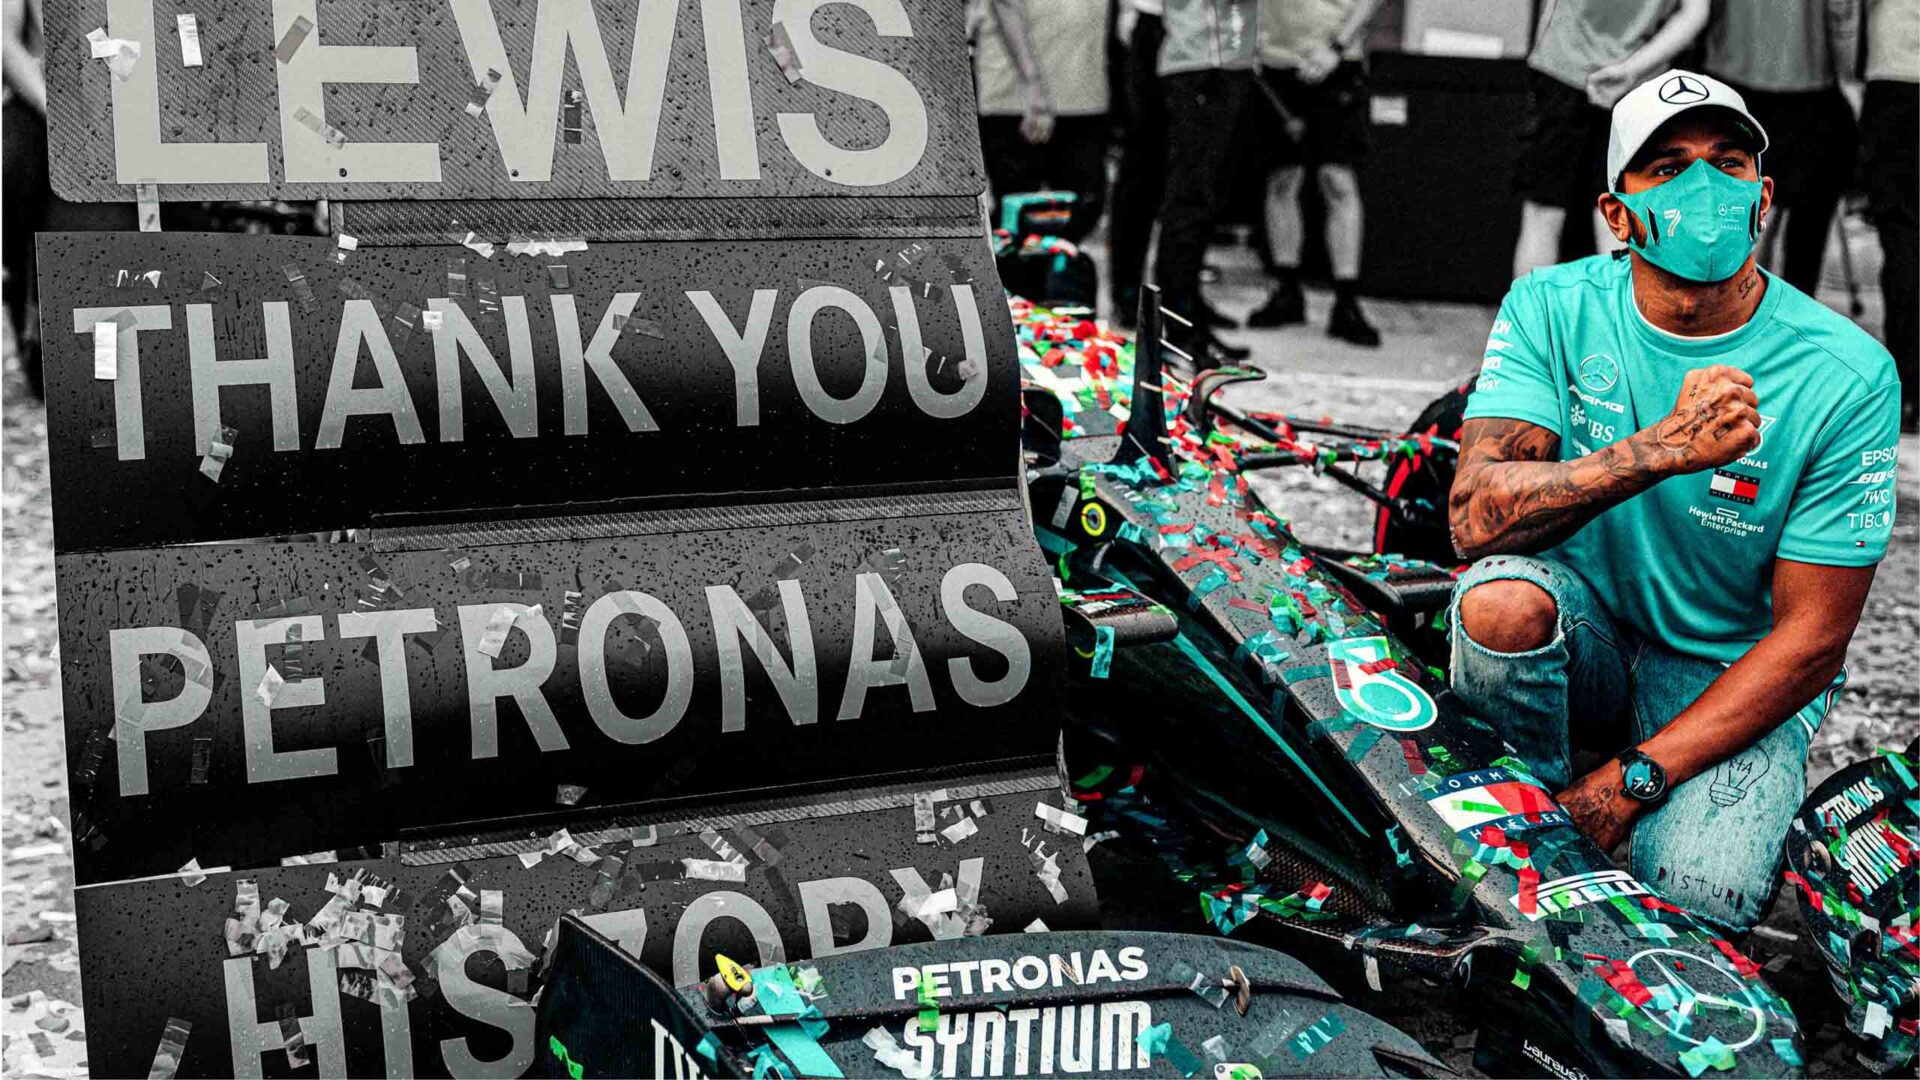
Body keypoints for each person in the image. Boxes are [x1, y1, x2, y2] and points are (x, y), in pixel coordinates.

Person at [1448, 70, 1900, 933]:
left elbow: (1813, 640)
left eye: (1727, 162)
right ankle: (1524, 821)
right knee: (1498, 603)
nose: (1704, 187)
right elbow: (1474, 520)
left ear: (1763, 198)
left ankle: (1605, 783)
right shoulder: (1552, 306)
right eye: (1667, 167)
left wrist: (1629, 785)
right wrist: (1660, 450)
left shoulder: (1848, 374)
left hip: (1727, 669)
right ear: (1617, 216)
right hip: (1584, 633)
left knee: (1697, 900)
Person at [1511, 0, 1710, 278]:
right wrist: (1633, 70)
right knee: (1618, 221)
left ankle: (1532, 311)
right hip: (1636, 83)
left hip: (1562, 69)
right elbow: (1694, 14)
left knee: (1544, 216)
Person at [1245, 0, 1383, 346]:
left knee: (1337, 180)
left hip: (1336, 59)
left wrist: (1336, 46)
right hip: (1275, 60)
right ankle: (1286, 290)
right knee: (1282, 180)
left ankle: (1346, 301)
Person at [1701, 0, 1862, 293]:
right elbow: (1842, 10)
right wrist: (1850, 75)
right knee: (1807, 233)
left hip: (1729, 72)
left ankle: (1726, 306)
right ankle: (1791, 311)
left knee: (1729, 221)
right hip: (1811, 77)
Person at [1153, 0, 1259, 364]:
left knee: (1207, 201)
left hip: (1228, 63)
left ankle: (1190, 322)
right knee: (1190, 201)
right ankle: (1176, 332)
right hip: (1199, 63)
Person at [972, 0, 1111, 242]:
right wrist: (1032, 84)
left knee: (1082, 210)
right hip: (1016, 97)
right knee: (1016, 218)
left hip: (1084, 92)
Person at [1860, 0, 1918, 431]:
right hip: (1892, 75)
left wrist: (1846, 74)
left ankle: (1910, 393)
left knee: (1903, 237)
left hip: (1894, 77)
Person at [1109, 0, 1167, 328]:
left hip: (1205, 29)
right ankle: (1127, 290)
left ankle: (1181, 297)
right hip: (1151, 21)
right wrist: (1128, 13)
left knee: (1191, 175)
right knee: (1142, 168)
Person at [3, 0, 46, 396]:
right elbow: (5, 41)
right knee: (14, 169)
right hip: (41, 100)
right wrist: (52, 107)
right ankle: (35, 340)